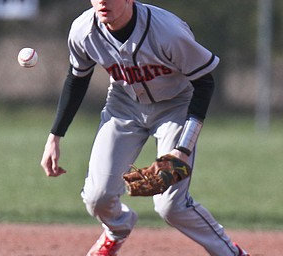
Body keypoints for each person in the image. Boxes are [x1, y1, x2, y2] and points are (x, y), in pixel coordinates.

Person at [40, 0, 250, 255]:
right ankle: (117, 228)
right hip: (123, 106)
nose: (103, 1)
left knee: (170, 206)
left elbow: (204, 83)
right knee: (97, 198)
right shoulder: (84, 30)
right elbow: (77, 79)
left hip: (175, 106)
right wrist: (55, 136)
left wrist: (182, 149)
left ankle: (231, 253)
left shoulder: (168, 31)